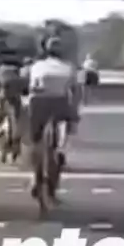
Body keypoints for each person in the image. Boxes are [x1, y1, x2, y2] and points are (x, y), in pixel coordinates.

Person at [26, 35, 79, 193]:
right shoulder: (69, 67)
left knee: (35, 141)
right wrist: (74, 115)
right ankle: (60, 152)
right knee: (64, 133)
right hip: (59, 102)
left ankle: (36, 177)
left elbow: (32, 87)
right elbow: (75, 91)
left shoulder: (37, 66)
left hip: (39, 102)